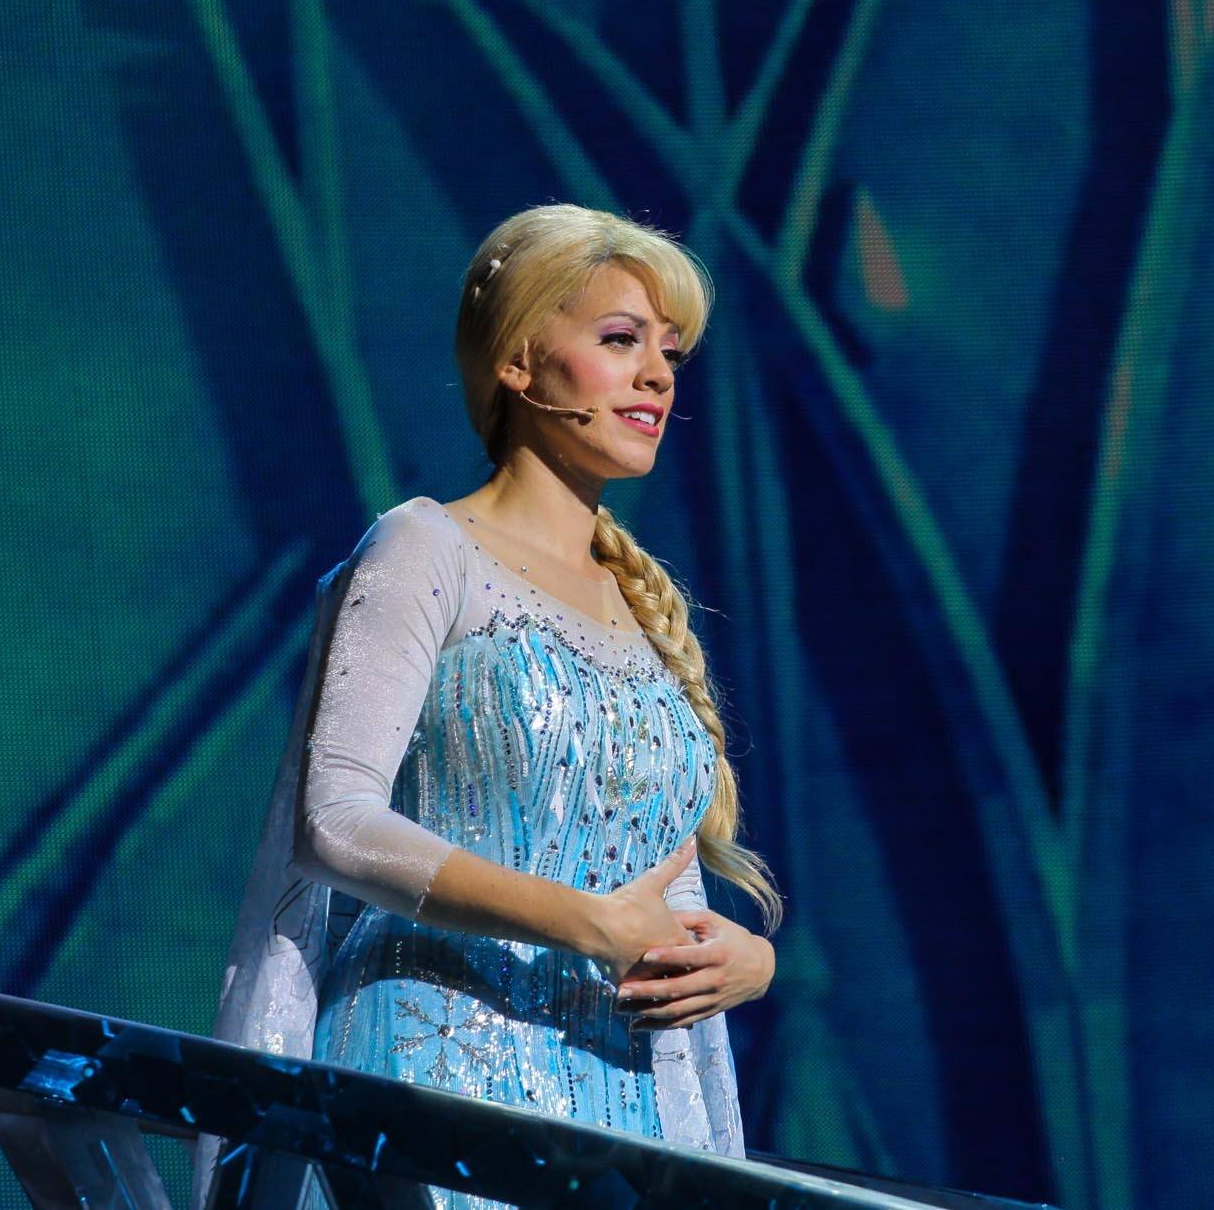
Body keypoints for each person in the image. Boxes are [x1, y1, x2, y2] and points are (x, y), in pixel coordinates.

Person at [199, 204, 783, 1208]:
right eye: (620, 340)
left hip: (618, 1094)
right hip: (436, 1060)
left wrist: (747, 959)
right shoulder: (426, 548)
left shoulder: (642, 607)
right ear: (517, 361)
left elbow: (657, 884)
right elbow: (336, 821)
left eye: (670, 352)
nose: (657, 374)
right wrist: (587, 922)